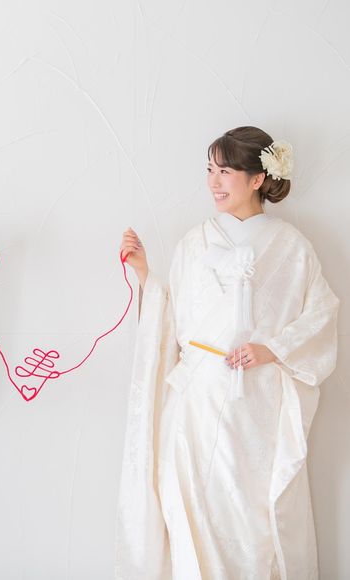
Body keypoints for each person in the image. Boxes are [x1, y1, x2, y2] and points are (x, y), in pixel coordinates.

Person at [115, 127, 339, 580]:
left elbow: (322, 314)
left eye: (226, 172)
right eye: (210, 170)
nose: (214, 182)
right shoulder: (192, 243)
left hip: (257, 408)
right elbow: (172, 321)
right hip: (195, 404)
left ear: (258, 178)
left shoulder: (292, 246)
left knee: (253, 521)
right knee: (191, 514)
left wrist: (272, 349)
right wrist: (144, 277)